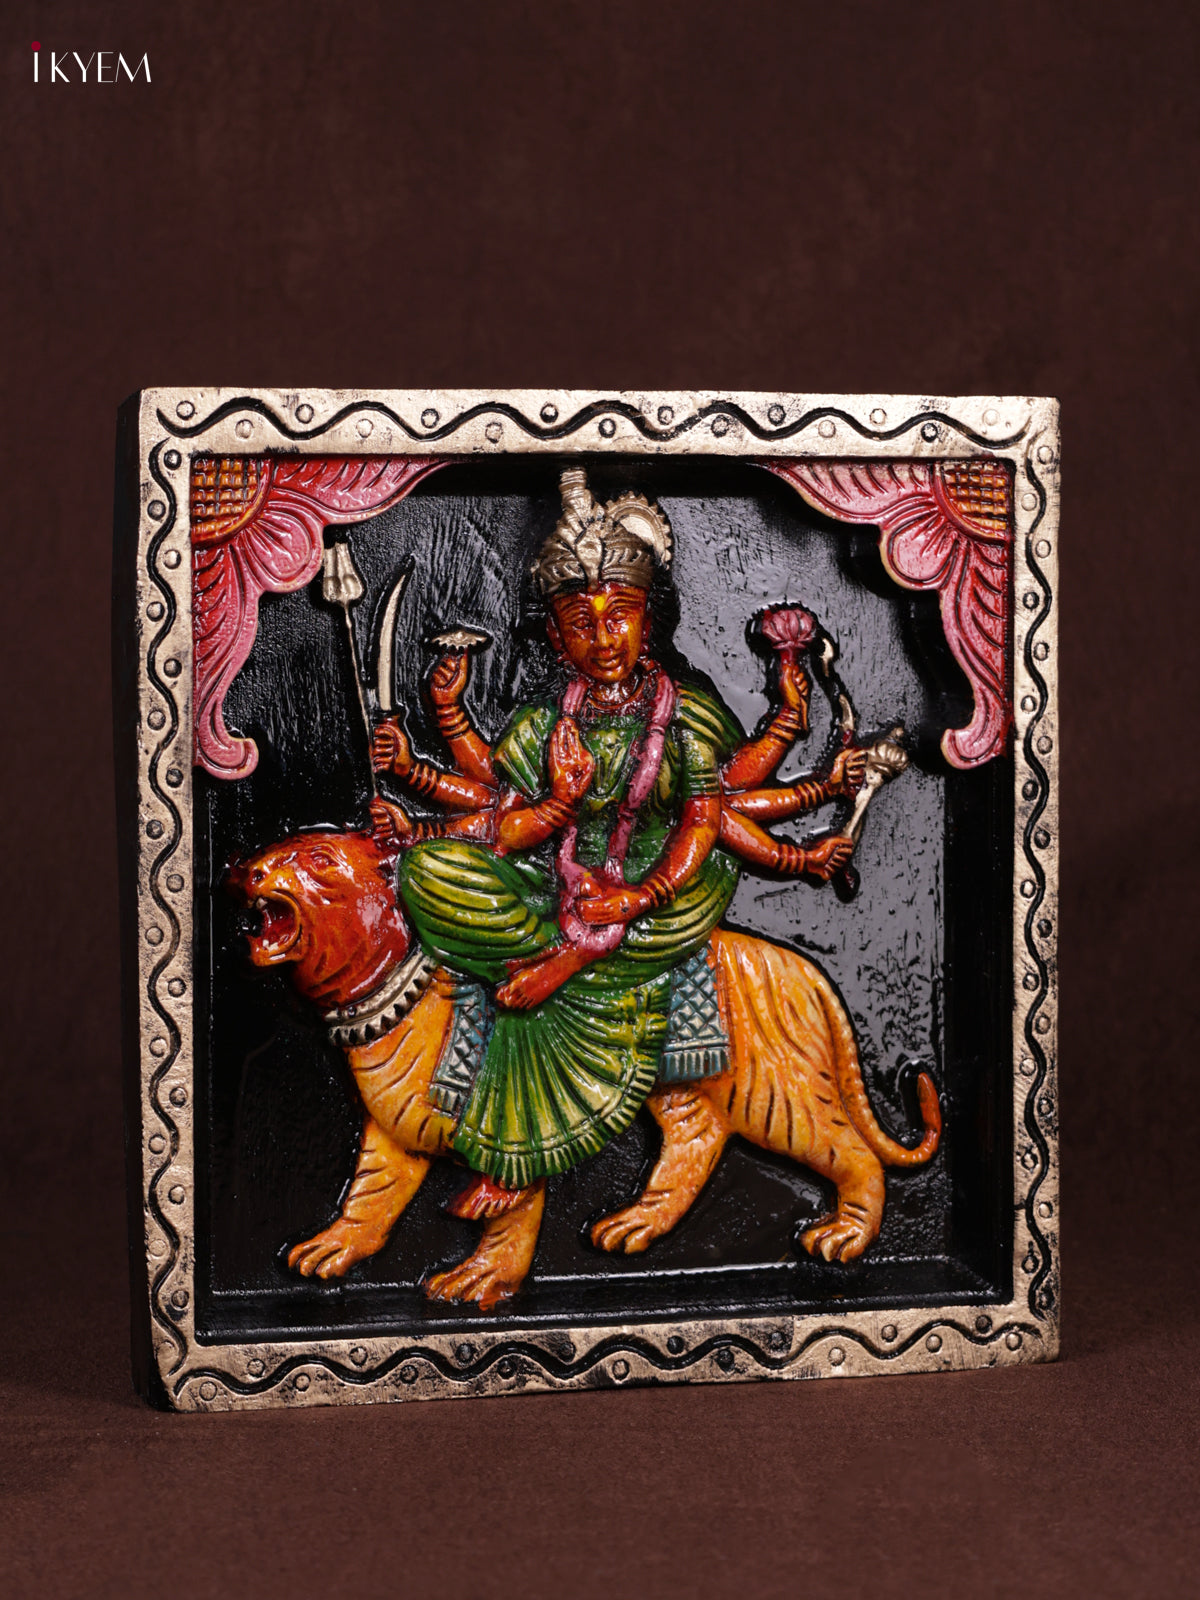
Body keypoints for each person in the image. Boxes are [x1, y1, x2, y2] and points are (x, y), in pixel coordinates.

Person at [375, 470, 751, 1193]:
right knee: (428, 874)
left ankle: (562, 979)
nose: (603, 640)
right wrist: (429, 763)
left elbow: (703, 820)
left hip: (660, 892)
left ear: (649, 620)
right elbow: (497, 807)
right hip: (560, 888)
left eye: (620, 617)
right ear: (555, 636)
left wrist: (640, 895)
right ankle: (555, 949)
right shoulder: (550, 720)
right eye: (581, 624)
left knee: (560, 964)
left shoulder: (686, 716)